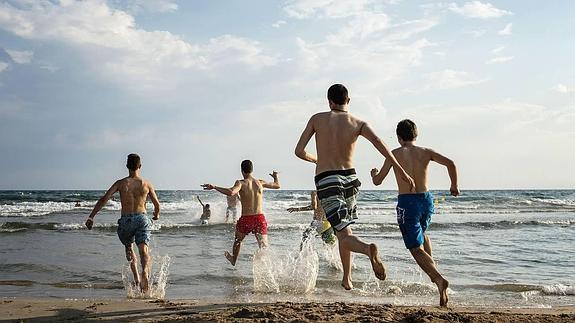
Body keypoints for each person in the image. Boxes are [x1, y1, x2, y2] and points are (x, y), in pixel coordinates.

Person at [294, 84, 415, 290]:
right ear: (348, 101)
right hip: (350, 179)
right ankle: (346, 277)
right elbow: (380, 144)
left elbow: (299, 151)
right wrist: (401, 170)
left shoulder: (317, 119)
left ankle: (368, 250)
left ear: (329, 101)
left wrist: (317, 160)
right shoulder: (358, 123)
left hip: (327, 179)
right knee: (344, 229)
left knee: (342, 233)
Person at [370, 119, 459, 307]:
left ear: (399, 137)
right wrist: (454, 185)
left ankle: (438, 279)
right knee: (423, 236)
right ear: (415, 135)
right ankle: (433, 271)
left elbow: (378, 181)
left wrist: (373, 174)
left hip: (407, 203)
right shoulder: (426, 152)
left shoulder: (394, 154)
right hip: (426, 201)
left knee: (415, 248)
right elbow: (451, 163)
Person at [84, 153, 160, 294]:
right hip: (141, 218)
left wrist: (91, 217)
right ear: (140, 166)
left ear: (127, 166)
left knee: (129, 248)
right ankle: (145, 272)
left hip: (125, 221)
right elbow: (157, 204)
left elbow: (104, 199)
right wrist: (156, 215)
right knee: (143, 250)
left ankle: (137, 279)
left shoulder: (120, 183)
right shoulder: (146, 184)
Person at [202, 160, 280, 266]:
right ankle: (265, 265)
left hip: (246, 219)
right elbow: (277, 185)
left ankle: (234, 259)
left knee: (238, 240)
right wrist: (275, 176)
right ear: (252, 170)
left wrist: (214, 187)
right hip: (259, 218)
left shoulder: (241, 183)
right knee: (264, 247)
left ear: (242, 170)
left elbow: (231, 192)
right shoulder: (260, 182)